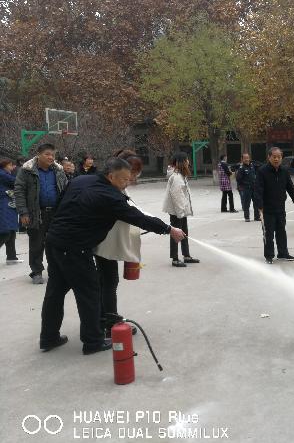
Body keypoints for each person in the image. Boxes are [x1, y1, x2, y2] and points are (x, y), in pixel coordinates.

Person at [40, 157, 186, 355]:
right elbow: (138, 218)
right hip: (75, 247)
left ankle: (48, 337)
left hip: (53, 240)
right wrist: (169, 229)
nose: (127, 183)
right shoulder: (110, 196)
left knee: (55, 291)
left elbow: (59, 205)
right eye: (124, 179)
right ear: (110, 176)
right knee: (90, 293)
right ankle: (93, 342)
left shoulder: (80, 180)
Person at [94, 149, 145, 337]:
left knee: (105, 282)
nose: (133, 178)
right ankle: (110, 325)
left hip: (105, 242)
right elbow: (127, 214)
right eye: (132, 174)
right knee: (109, 282)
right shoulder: (111, 190)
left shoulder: (116, 186)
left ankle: (102, 320)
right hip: (104, 243)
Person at [14, 143, 68, 284]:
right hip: (36, 213)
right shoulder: (26, 171)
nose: (51, 157)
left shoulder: (58, 171)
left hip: (56, 213)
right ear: (38, 154)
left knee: (56, 243)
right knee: (36, 244)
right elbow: (19, 192)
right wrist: (23, 213)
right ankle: (37, 271)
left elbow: (66, 190)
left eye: (53, 155)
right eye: (47, 154)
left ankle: (55, 270)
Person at [255, 147, 294, 264]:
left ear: (281, 158)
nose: (276, 159)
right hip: (267, 209)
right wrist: (259, 206)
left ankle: (283, 253)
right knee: (268, 234)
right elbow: (258, 190)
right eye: (274, 157)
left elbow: (291, 189)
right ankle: (269, 255)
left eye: (279, 157)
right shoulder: (262, 171)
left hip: (280, 208)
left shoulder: (284, 171)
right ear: (269, 157)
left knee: (281, 232)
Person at [163, 152, 199, 267]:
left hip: (180, 211)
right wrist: (180, 212)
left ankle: (186, 255)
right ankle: (175, 259)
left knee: (184, 232)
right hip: (177, 212)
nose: (188, 162)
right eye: (186, 159)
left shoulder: (181, 175)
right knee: (176, 233)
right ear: (181, 162)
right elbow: (177, 196)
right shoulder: (177, 177)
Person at [0, 158, 21, 264]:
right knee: (5, 232)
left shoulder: (6, 174)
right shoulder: (2, 174)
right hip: (3, 204)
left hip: (10, 204)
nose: (12, 168)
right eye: (10, 165)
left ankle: (11, 257)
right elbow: (16, 182)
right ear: (5, 166)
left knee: (12, 231)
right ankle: (11, 257)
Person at [236, 153, 260, 222]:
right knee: (247, 203)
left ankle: (257, 217)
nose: (247, 159)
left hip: (254, 188)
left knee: (256, 203)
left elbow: (255, 174)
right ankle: (247, 217)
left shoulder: (252, 166)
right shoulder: (241, 168)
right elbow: (238, 179)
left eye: (248, 158)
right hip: (247, 188)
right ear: (242, 159)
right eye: (245, 158)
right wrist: (243, 185)